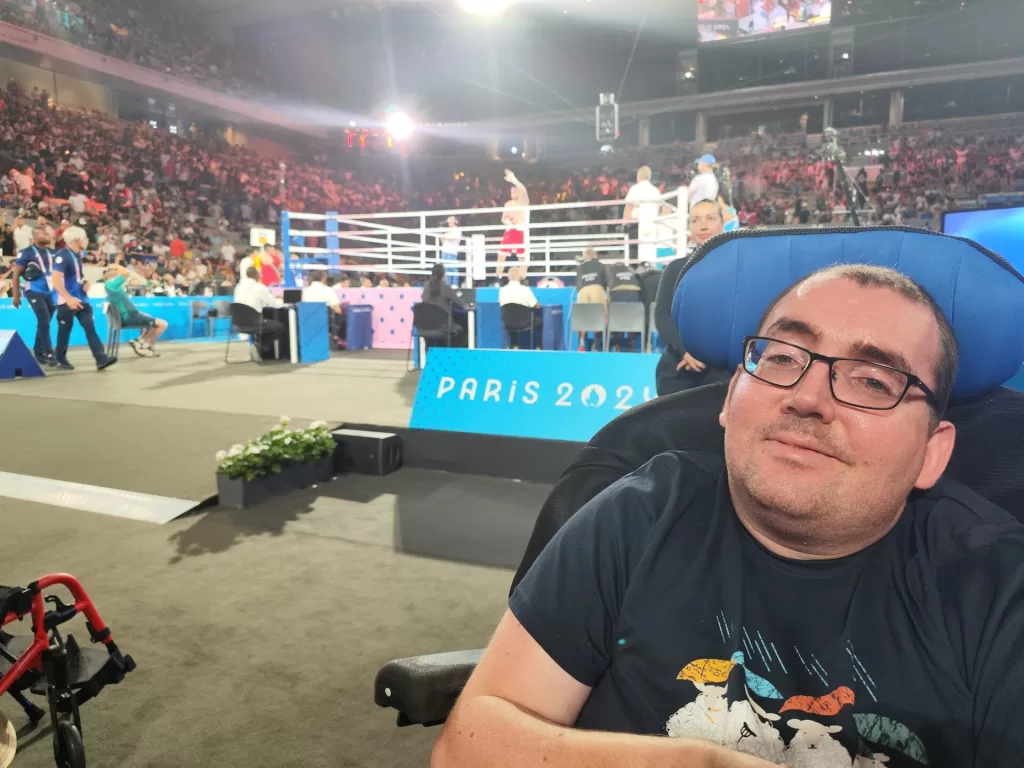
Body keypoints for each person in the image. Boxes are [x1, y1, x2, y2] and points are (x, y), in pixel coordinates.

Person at [433, 264, 1024, 768]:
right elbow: (468, 747)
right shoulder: (641, 513)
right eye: (783, 357)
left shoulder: (997, 585)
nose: (807, 398)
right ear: (733, 392)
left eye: (873, 380)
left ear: (932, 453)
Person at [654, 199, 730, 395]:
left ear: (722, 223)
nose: (702, 226)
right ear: (689, 227)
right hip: (679, 365)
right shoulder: (675, 268)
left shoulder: (738, 268)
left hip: (723, 370)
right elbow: (663, 315)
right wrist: (686, 352)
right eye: (695, 220)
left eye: (710, 218)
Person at [51, 227, 116, 372]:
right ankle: (60, 359)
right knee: (64, 331)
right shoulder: (63, 255)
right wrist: (68, 298)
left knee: (90, 327)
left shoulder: (77, 255)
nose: (87, 241)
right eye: (85, 238)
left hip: (81, 298)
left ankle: (101, 359)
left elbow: (75, 277)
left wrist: (86, 282)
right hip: (67, 301)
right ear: (77, 240)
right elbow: (55, 279)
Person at [10, 226, 56, 365]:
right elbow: (16, 275)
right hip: (34, 290)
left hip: (50, 292)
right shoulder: (26, 253)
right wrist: (16, 295)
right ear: (35, 236)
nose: (48, 235)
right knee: (44, 320)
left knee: (44, 322)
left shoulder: (52, 253)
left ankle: (39, 352)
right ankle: (49, 353)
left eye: (49, 233)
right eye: (45, 233)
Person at [103, 264, 167, 357]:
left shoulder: (111, 288)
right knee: (162, 324)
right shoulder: (111, 285)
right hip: (128, 317)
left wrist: (139, 313)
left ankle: (139, 341)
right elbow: (126, 273)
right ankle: (145, 346)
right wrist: (116, 265)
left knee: (149, 318)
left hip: (129, 315)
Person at [233, 266, 284, 362]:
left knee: (263, 324)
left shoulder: (238, 287)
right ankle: (260, 347)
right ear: (257, 275)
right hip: (254, 322)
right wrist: (280, 300)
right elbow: (275, 304)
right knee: (279, 326)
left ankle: (257, 347)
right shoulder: (259, 287)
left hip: (239, 324)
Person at [623, 165, 666, 264]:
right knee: (650, 249)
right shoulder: (655, 191)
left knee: (634, 250)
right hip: (652, 223)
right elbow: (659, 208)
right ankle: (649, 268)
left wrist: (624, 223)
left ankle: (634, 269)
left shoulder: (635, 188)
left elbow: (629, 206)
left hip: (636, 223)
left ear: (638, 176)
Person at [422, 262, 467, 343]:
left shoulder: (426, 287)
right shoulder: (446, 288)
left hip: (427, 327)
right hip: (443, 328)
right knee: (461, 331)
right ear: (443, 275)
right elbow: (461, 305)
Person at [499, 265, 541, 349]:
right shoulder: (525, 290)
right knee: (540, 322)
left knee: (512, 317)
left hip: (508, 323)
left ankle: (515, 345)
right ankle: (538, 347)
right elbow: (536, 306)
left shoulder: (502, 290)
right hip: (525, 323)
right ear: (520, 277)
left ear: (508, 277)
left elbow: (501, 305)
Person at [498, 169, 529, 277]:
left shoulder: (523, 202)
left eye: (515, 192)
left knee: (522, 258)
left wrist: (514, 180)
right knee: (501, 255)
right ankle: (498, 279)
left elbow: (523, 190)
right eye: (512, 192)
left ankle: (522, 279)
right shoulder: (507, 204)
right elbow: (503, 218)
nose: (513, 194)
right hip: (509, 232)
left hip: (520, 232)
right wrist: (507, 222)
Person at [303, 271, 346, 346]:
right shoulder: (328, 290)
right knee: (343, 317)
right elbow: (337, 310)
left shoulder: (305, 290)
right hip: (324, 319)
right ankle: (338, 339)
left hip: (308, 319)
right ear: (323, 278)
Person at [440, 216, 462, 286]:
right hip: (445, 251)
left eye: (450, 221)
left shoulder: (457, 230)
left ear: (453, 221)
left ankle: (455, 284)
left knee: (453, 268)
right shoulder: (449, 231)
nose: (448, 223)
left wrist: (446, 238)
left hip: (451, 252)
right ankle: (448, 285)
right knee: (446, 269)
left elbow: (453, 238)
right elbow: (442, 238)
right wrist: (446, 238)